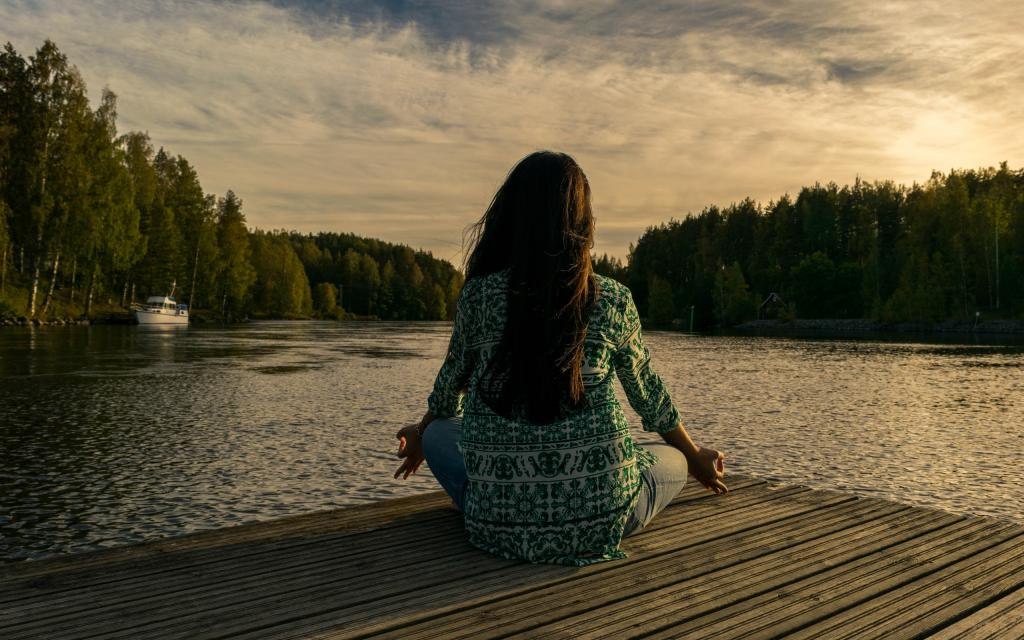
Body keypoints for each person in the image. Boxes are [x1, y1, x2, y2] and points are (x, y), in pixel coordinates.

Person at [394, 151, 727, 566]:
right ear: (582, 223)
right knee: (671, 457)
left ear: (511, 217)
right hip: (603, 519)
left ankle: (497, 501)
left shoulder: (479, 295)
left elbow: (447, 392)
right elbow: (649, 398)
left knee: (442, 431)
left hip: (496, 527)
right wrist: (696, 457)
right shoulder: (613, 299)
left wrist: (424, 432)